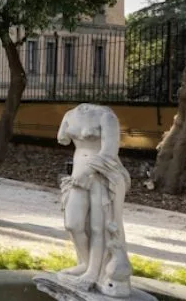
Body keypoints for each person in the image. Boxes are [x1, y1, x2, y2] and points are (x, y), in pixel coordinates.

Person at [56, 104, 132, 297]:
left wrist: (87, 171)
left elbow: (109, 151)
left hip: (104, 173)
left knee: (100, 226)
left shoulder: (106, 116)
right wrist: (80, 173)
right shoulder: (70, 114)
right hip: (78, 175)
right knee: (73, 223)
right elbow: (62, 138)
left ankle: (93, 272)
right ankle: (84, 262)